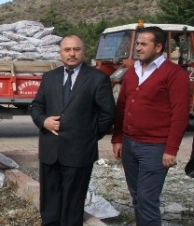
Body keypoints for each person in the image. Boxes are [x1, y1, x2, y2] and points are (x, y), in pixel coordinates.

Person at [30, 35, 115, 226]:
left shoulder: (97, 78)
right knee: (50, 201)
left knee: (73, 203)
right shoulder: (50, 77)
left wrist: (89, 135)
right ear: (60, 53)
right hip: (50, 150)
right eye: (67, 50)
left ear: (83, 52)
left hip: (80, 151)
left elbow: (107, 114)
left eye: (76, 49)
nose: (72, 53)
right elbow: (36, 106)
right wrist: (44, 122)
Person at [111, 26, 190, 225]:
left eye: (143, 44)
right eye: (137, 43)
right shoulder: (131, 73)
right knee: (137, 198)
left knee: (147, 199)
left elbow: (180, 114)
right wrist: (118, 138)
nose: (138, 48)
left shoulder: (174, 74)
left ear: (158, 47)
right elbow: (121, 107)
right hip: (129, 145)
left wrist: (171, 150)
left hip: (155, 148)